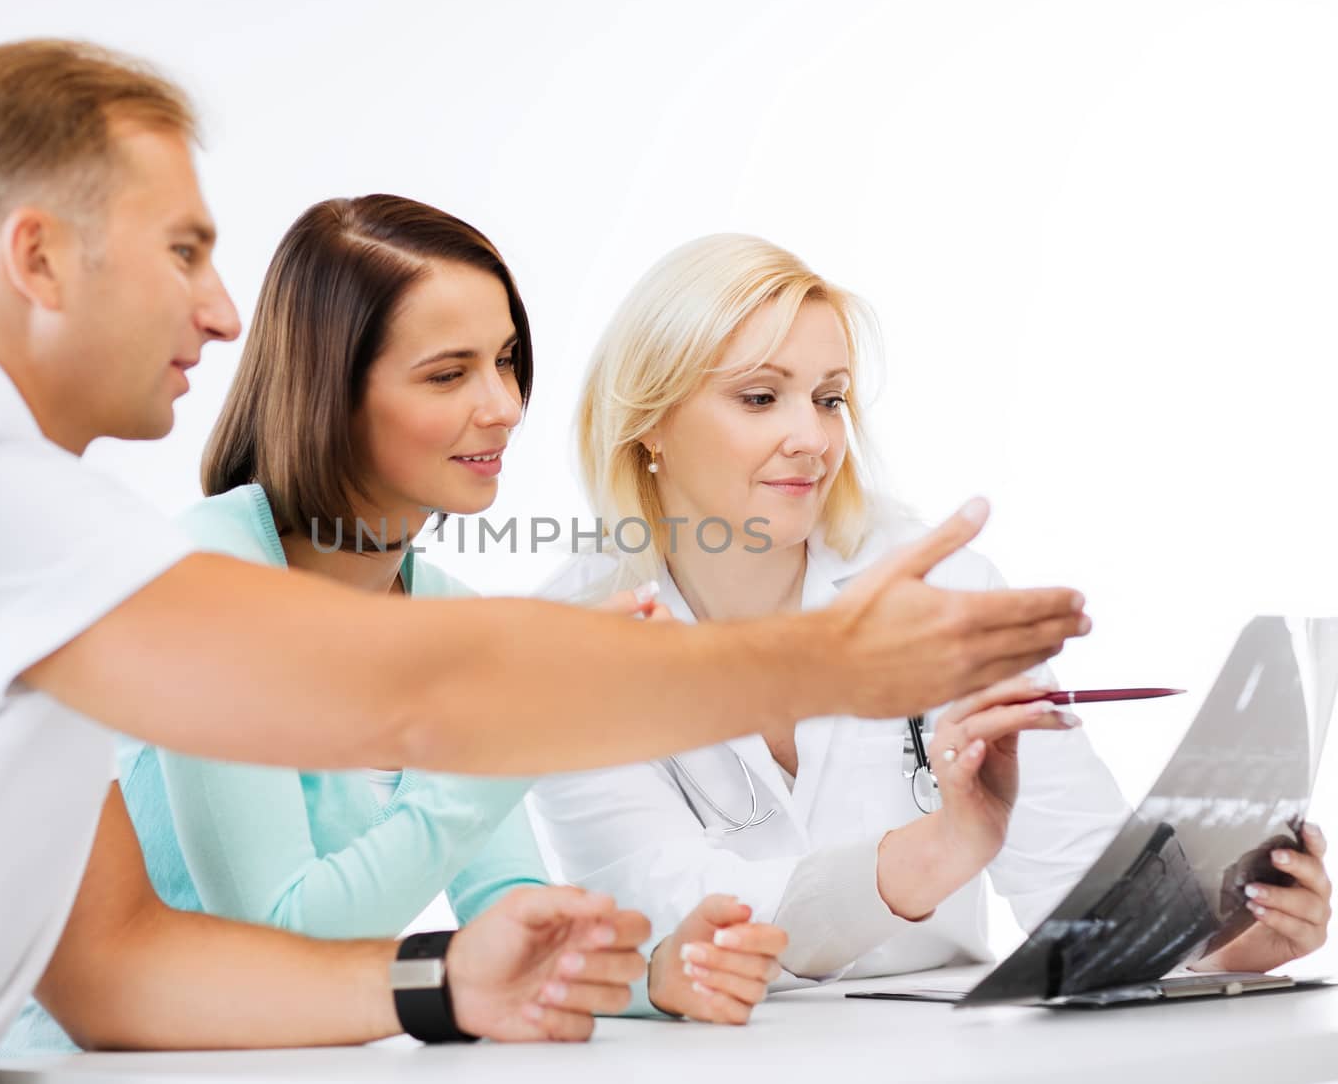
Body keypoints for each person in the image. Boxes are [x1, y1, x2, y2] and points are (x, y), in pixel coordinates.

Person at [0, 42, 1092, 1084]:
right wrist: (817, 662)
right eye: (185, 251)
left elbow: (113, 966)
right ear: (36, 255)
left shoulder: (9, 523)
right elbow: (409, 697)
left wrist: (444, 981)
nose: (221, 308)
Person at [1, 194, 787, 1057]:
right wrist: (513, 733)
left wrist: (653, 973)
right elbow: (281, 939)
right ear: (330, 393)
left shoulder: (450, 608)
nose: (504, 406)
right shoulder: (213, 583)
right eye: (449, 374)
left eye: (507, 359)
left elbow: (506, 906)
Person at [530, 233, 1332, 987]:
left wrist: (1227, 939)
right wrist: (939, 849)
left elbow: (1079, 886)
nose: (811, 437)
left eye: (830, 398)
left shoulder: (949, 592)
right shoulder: (562, 641)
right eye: (761, 396)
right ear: (650, 423)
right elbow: (672, 919)